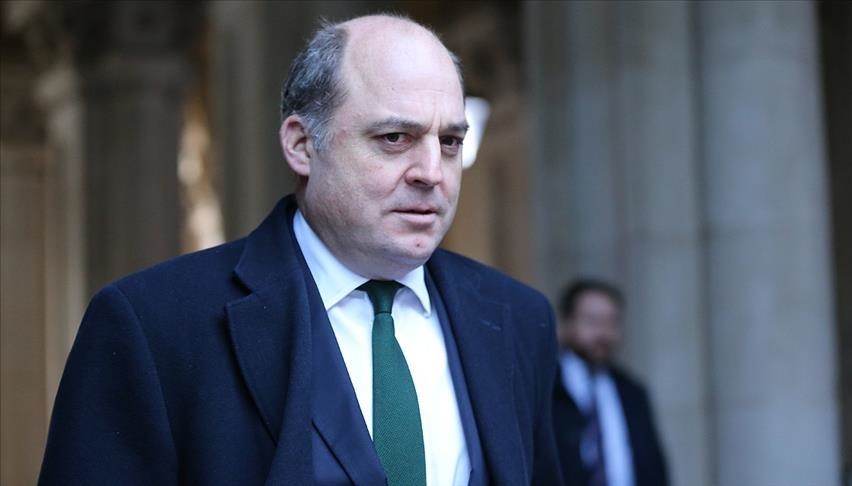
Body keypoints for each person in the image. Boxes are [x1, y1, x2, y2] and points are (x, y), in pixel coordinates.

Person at [38, 14, 563, 486]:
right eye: (395, 138)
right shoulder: (154, 325)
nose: (432, 172)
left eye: (449, 142)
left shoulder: (518, 319)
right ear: (301, 145)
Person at [553, 279, 668, 486]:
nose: (603, 333)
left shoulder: (631, 391)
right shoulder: (547, 387)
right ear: (566, 323)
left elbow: (653, 465)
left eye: (612, 322)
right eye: (592, 321)